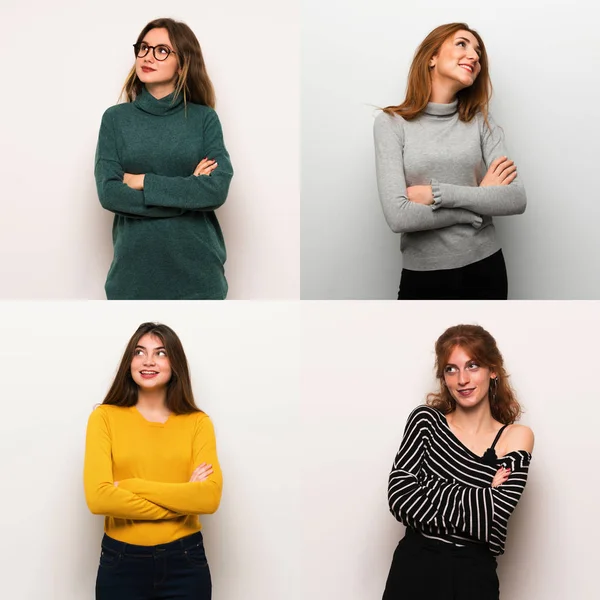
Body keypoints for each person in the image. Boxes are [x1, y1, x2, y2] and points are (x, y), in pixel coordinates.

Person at [373, 23, 526, 300]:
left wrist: (436, 194)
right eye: (462, 44)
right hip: (423, 276)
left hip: (486, 268)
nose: (475, 56)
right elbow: (399, 216)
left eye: (478, 52)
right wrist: (475, 205)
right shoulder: (391, 124)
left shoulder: (482, 124)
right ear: (432, 57)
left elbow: (516, 198)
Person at [383, 324, 534, 600]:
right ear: (444, 377)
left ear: (493, 370)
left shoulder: (516, 437)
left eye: (473, 365)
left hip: (473, 577)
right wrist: (482, 493)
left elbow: (495, 516)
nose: (462, 379)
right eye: (451, 369)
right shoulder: (425, 421)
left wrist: (429, 486)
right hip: (414, 568)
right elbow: (400, 497)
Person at [94, 18, 233, 300]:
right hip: (132, 275)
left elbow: (216, 189)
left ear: (182, 63)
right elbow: (110, 194)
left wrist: (141, 181)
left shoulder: (204, 119)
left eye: (161, 50)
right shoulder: (115, 119)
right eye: (144, 48)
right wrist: (186, 197)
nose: (147, 56)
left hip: (198, 274)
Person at [84, 322, 222, 600]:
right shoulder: (104, 418)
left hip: (186, 563)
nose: (148, 361)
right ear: (129, 362)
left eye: (160, 353)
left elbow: (208, 499)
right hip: (121, 563)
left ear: (175, 363)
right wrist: (182, 502)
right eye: (139, 352)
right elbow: (99, 499)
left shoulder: (198, 423)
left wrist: (131, 485)